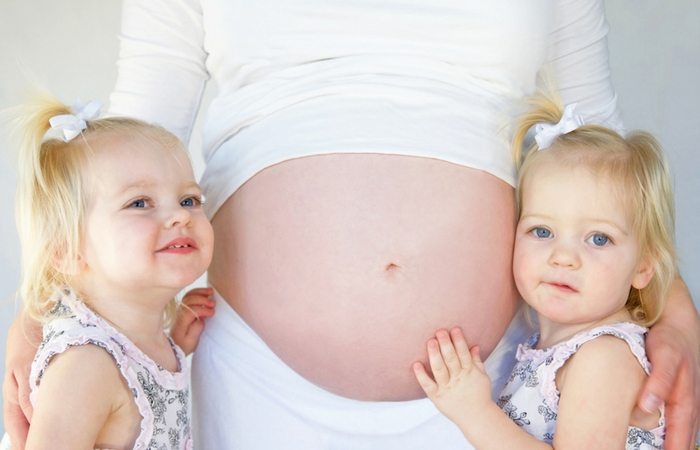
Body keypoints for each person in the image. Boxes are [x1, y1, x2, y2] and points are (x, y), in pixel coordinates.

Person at [4, 1, 699, 449]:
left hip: (492, 395)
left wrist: (670, 312)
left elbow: (602, 153)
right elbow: (126, 146)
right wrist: (50, 307)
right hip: (249, 376)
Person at [413, 95, 675, 449]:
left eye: (598, 238)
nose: (563, 257)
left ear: (642, 267)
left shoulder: (604, 358)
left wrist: (474, 411)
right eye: (542, 231)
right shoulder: (556, 348)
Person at [6, 94, 214, 449]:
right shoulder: (85, 366)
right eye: (139, 203)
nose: (181, 215)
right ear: (68, 251)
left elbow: (133, 396)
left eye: (189, 200)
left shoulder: (128, 347)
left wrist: (174, 345)